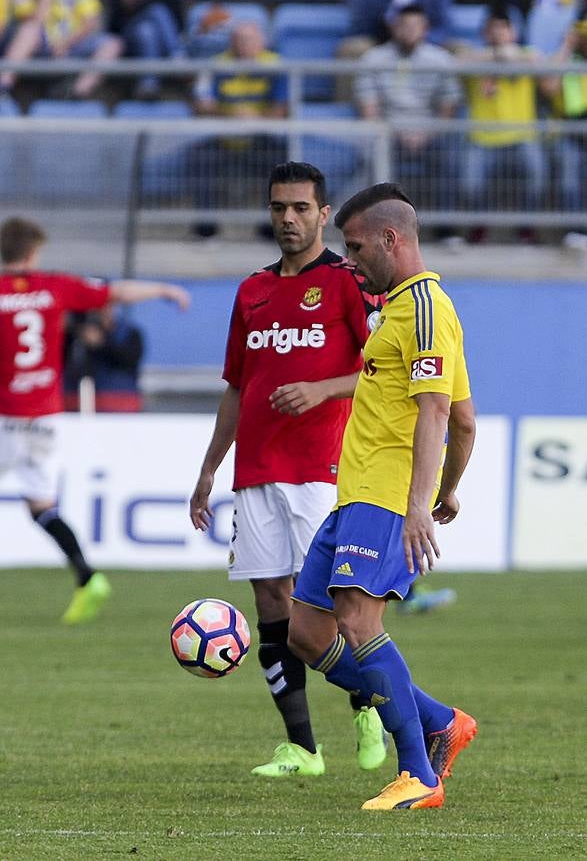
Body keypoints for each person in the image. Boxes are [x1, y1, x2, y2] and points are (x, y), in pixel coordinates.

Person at [189, 162, 388, 778]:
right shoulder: (251, 289)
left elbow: (385, 369)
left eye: (301, 208)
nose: (288, 219)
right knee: (270, 601)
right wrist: (207, 471)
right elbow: (235, 389)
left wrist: (322, 388)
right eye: (279, 208)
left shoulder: (350, 282)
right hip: (255, 470)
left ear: (323, 213)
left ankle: (369, 704)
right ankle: (302, 747)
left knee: (327, 609)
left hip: (323, 469)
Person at [288, 182, 478, 811]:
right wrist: (449, 489)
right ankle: (441, 720)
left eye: (357, 245)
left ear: (391, 239)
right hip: (355, 494)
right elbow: (467, 420)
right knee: (308, 634)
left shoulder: (427, 308)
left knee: (359, 621)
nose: (350, 258)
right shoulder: (399, 310)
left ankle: (418, 773)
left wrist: (422, 502)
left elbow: (435, 413)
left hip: (385, 494)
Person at [0, 216, 190, 623]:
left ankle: (87, 578)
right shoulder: (55, 287)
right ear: (33, 252)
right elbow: (115, 292)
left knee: (38, 508)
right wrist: (162, 289)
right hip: (44, 420)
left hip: (5, 416)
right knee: (42, 508)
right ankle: (87, 576)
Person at [355, 4, 463, 245]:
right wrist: (392, 131)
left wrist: (429, 131)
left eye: (415, 26)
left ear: (425, 28)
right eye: (404, 25)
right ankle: (378, 228)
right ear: (394, 27)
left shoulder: (441, 60)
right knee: (374, 152)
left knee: (450, 154)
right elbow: (369, 109)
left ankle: (446, 229)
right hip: (387, 131)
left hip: (430, 130)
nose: (409, 31)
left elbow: (448, 107)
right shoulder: (373, 59)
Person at [190, 20, 288, 239]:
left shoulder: (275, 64)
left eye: (250, 40)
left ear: (261, 42)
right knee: (199, 156)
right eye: (239, 40)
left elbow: (281, 109)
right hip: (224, 137)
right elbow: (201, 103)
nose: (244, 45)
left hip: (261, 137)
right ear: (231, 43)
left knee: (282, 159)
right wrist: (231, 113)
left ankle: (270, 227)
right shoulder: (216, 64)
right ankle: (206, 228)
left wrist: (255, 118)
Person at [458, 8, 547, 243]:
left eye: (503, 28)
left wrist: (511, 55)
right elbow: (458, 61)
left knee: (537, 174)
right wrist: (496, 55)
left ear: (513, 32)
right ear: (485, 33)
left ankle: (526, 227)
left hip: (522, 136)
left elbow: (539, 62)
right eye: (492, 29)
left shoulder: (526, 55)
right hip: (483, 138)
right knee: (470, 183)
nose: (498, 33)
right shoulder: (476, 57)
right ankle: (479, 226)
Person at [0, 0, 122, 99]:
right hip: (40, 46)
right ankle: (4, 85)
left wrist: (66, 44)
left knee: (112, 44)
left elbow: (91, 20)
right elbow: (37, 20)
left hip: (72, 43)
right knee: (29, 30)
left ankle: (77, 93)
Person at [541, 14, 587, 250]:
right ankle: (575, 229)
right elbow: (548, 87)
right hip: (567, 131)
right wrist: (568, 45)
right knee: (570, 169)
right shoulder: (564, 59)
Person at [107, 0, 184, 100]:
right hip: (130, 44)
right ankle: (177, 57)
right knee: (154, 14)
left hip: (160, 44)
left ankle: (148, 84)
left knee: (147, 30)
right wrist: (126, 6)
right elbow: (114, 28)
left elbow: (178, 25)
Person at [63, 304, 144, 412]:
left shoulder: (129, 332)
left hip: (121, 401)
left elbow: (130, 359)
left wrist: (102, 343)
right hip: (77, 401)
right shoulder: (76, 333)